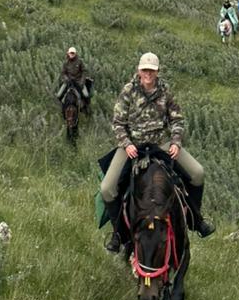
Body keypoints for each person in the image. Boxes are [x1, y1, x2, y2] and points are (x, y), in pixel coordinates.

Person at [101, 52, 215, 252]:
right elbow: (118, 123)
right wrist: (126, 143)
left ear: (157, 71)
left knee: (197, 173)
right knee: (107, 188)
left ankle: (196, 220)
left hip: (160, 143)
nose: (148, 74)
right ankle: (118, 234)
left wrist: (176, 141)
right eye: (145, 70)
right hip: (133, 146)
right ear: (139, 70)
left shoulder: (165, 91)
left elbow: (177, 119)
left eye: (152, 70)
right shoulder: (128, 91)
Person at [57, 46, 90, 111]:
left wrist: (82, 81)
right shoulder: (65, 63)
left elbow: (84, 71)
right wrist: (66, 79)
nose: (71, 54)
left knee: (86, 95)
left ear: (75, 54)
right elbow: (63, 73)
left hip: (78, 81)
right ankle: (63, 108)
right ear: (68, 53)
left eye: (73, 53)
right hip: (69, 81)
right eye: (70, 53)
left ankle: (86, 108)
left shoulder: (80, 61)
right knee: (58, 95)